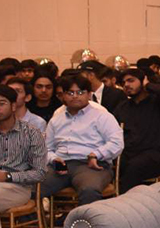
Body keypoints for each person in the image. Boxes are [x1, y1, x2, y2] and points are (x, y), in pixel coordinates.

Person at [40, 75, 123, 206]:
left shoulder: (102, 116)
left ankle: (86, 220)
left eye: (80, 92)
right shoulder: (56, 120)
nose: (75, 96)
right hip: (60, 165)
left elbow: (117, 142)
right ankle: (35, 219)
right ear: (63, 96)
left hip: (92, 165)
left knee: (89, 190)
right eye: (70, 93)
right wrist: (54, 159)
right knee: (30, 186)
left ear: (89, 94)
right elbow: (46, 149)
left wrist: (96, 154)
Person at [0, 85, 45, 228]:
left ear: (13, 106)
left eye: (1, 103)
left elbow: (40, 173)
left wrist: (8, 176)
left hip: (19, 188)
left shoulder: (31, 133)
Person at [114, 68, 160, 193]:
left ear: (143, 81)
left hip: (155, 154)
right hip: (130, 153)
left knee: (134, 167)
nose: (126, 85)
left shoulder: (158, 103)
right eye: (123, 82)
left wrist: (147, 85)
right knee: (114, 165)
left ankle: (127, 202)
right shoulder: (122, 107)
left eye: (131, 80)